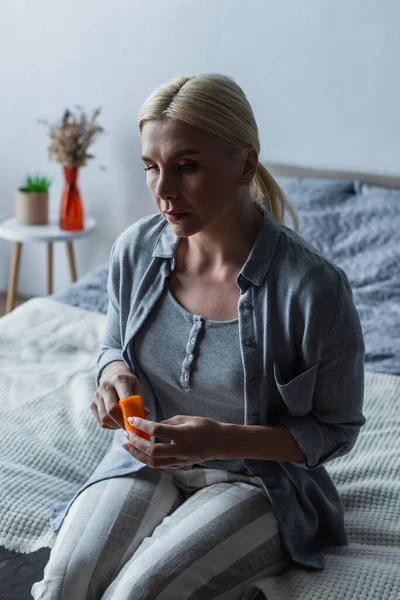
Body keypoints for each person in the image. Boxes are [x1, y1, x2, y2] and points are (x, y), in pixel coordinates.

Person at [32, 73, 365, 600]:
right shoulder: (135, 251)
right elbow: (111, 347)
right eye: (151, 167)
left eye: (186, 167)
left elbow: (336, 429)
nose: (163, 191)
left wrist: (217, 440)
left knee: (137, 594)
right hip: (144, 458)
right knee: (63, 586)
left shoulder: (314, 289)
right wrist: (112, 374)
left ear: (246, 164)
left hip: (256, 481)